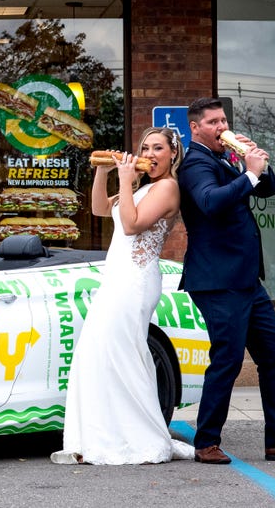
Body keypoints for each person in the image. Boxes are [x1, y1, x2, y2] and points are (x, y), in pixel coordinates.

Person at [177, 97, 275, 464]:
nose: (221, 127)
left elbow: (267, 189)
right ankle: (206, 441)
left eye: (224, 120)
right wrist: (248, 173)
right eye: (212, 122)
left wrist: (255, 164)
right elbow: (211, 202)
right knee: (227, 358)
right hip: (216, 279)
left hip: (245, 279)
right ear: (195, 127)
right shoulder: (195, 163)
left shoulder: (225, 157)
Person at [52, 127, 194, 465]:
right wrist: (105, 171)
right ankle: (101, 435)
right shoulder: (143, 186)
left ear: (173, 154)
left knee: (123, 354)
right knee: (96, 352)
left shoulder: (168, 188)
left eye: (158, 148)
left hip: (136, 281)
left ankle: (141, 437)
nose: (151, 153)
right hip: (115, 278)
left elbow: (131, 225)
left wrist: (127, 181)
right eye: (145, 147)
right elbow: (101, 209)